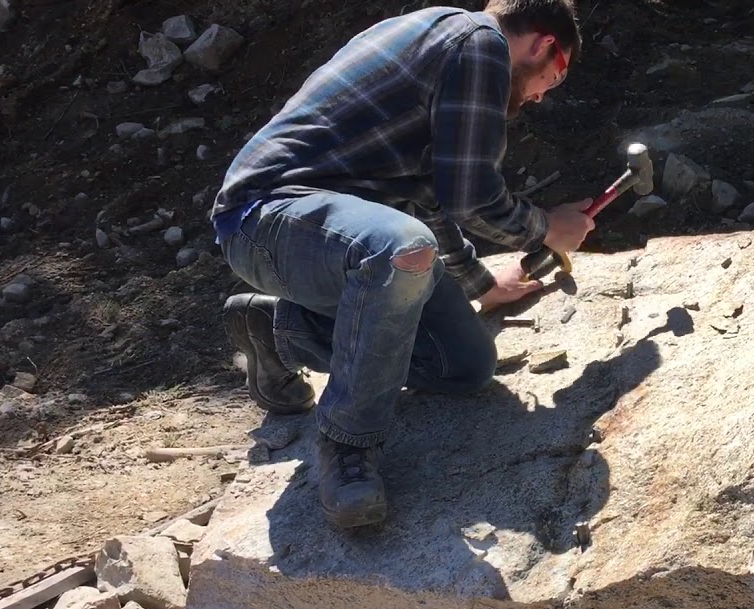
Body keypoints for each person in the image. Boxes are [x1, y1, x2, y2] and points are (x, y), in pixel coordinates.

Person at [209, 0, 596, 529]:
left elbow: (427, 197)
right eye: (554, 78)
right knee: (400, 249)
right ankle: (348, 451)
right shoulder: (478, 42)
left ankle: (278, 330)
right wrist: (550, 227)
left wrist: (482, 285)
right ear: (544, 45)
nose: (539, 96)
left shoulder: (441, 42)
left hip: (346, 235)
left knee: (464, 364)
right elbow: (471, 196)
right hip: (266, 218)